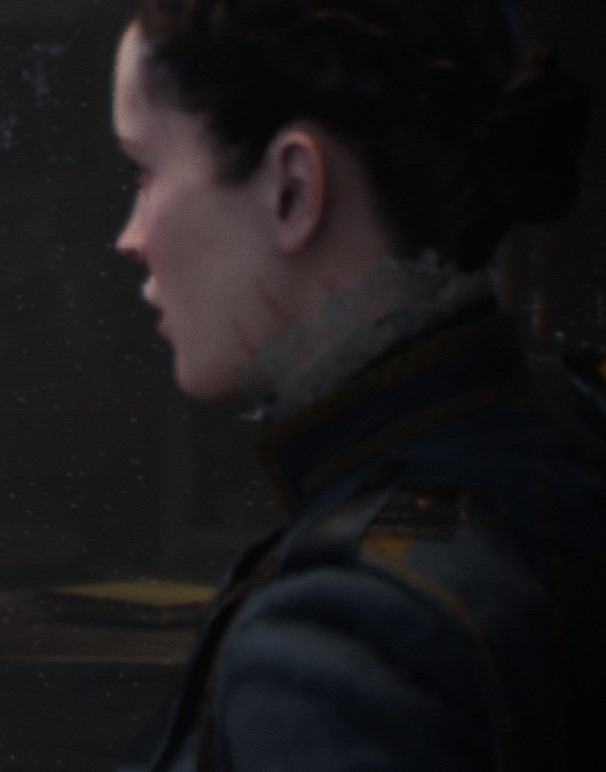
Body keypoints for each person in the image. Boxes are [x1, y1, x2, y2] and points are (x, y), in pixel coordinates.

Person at [108, 0, 599, 768]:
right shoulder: (561, 442)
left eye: (145, 170)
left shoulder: (345, 635)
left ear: (292, 189)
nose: (128, 238)